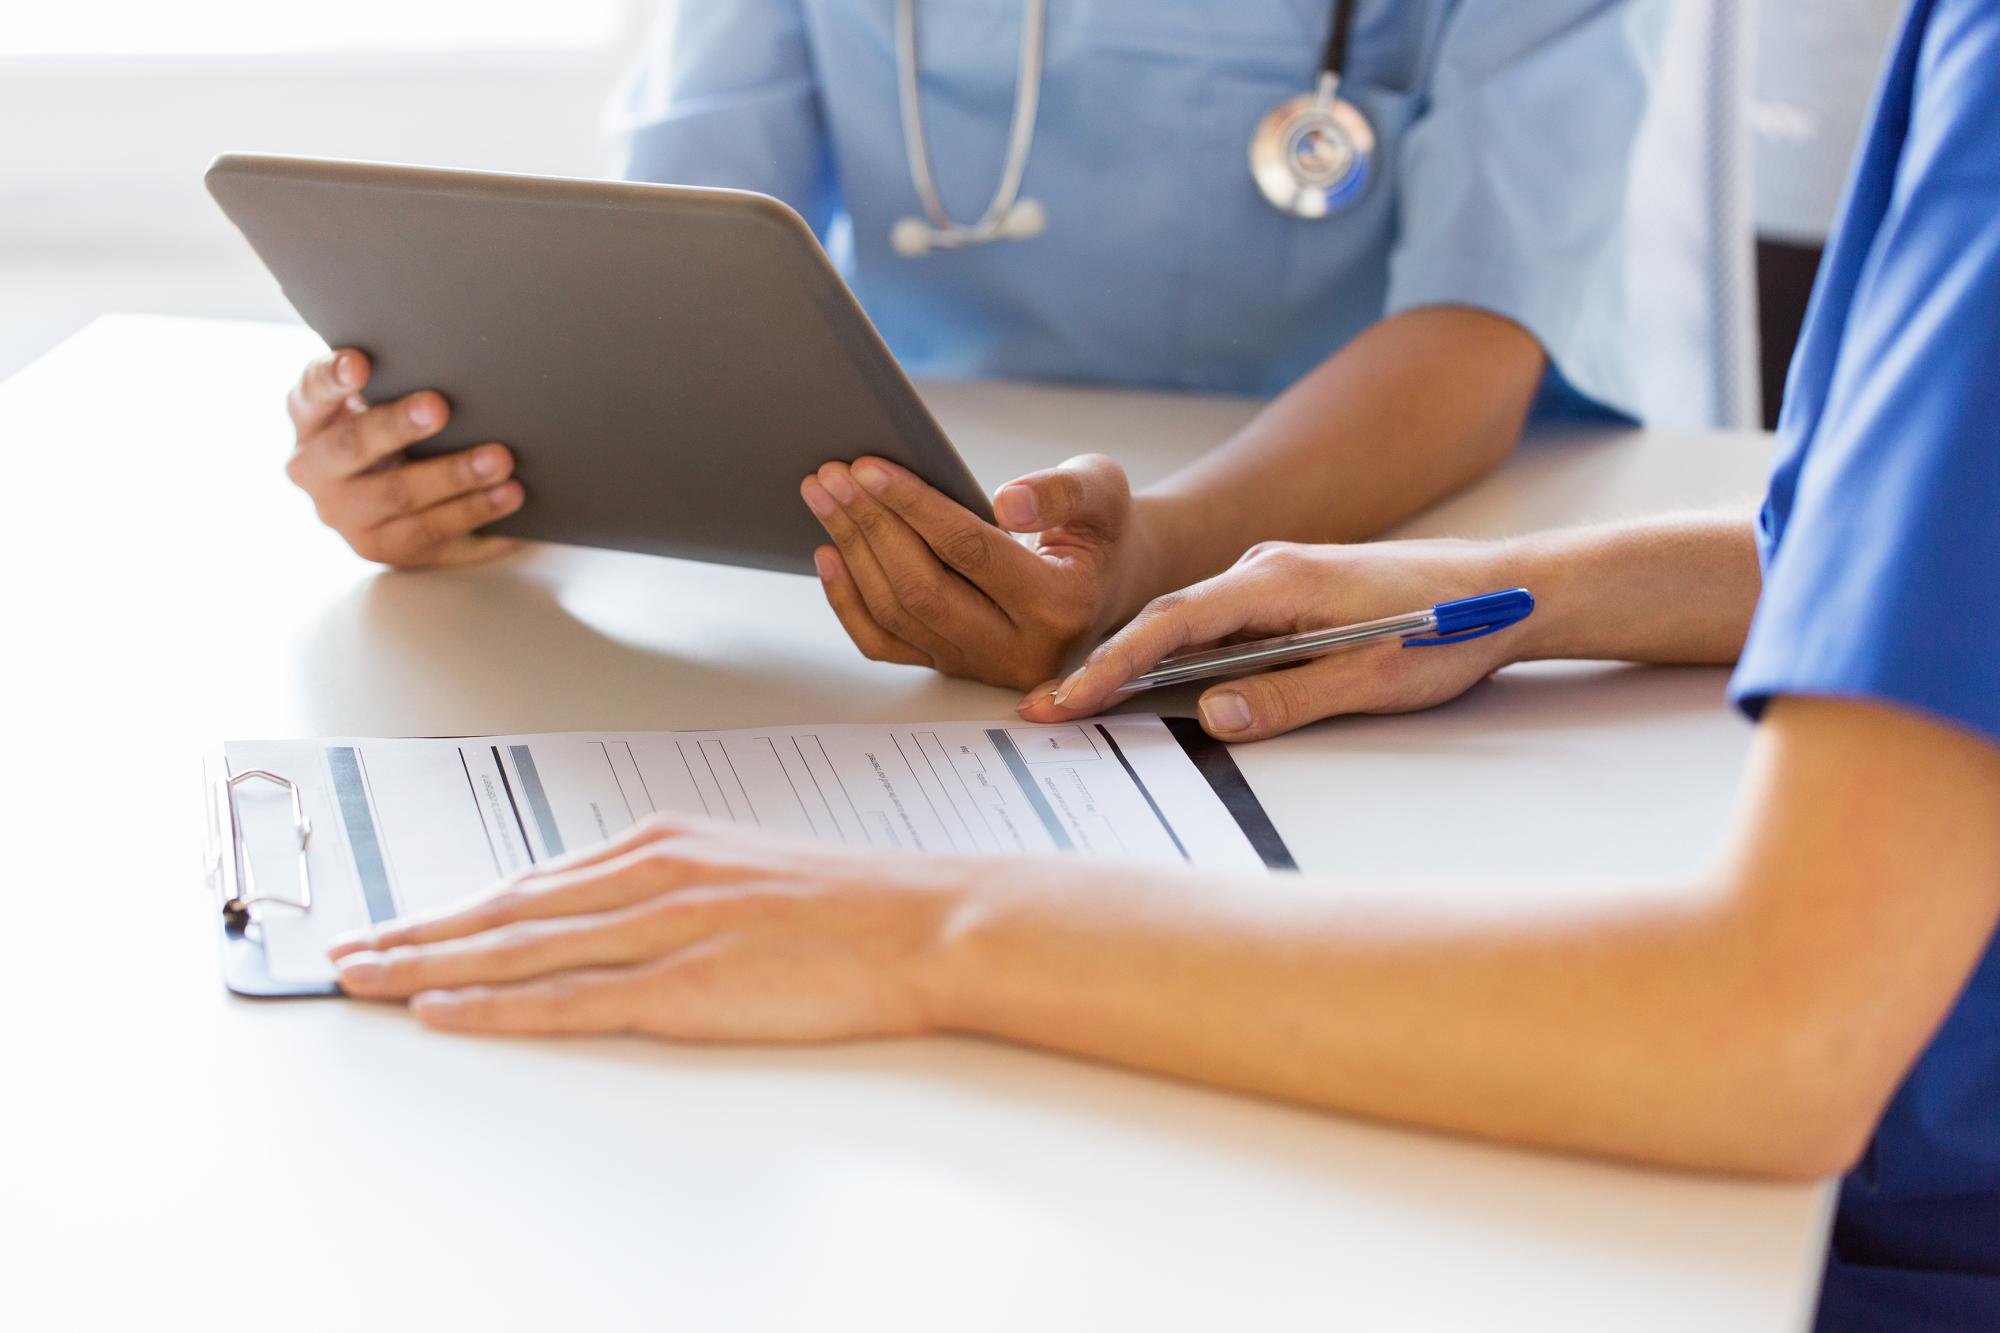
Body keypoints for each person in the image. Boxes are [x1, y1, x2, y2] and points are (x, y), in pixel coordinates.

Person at [328, 1, 2000, 1324]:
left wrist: (920, 916)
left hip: (1909, 1227)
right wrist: (1510, 592)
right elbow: (1911, 527)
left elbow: (1774, 1035)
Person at [282, 0, 1674, 686]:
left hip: (1398, 567)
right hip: (939, 555)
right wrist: (475, 466)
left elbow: (1482, 332)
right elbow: (663, 255)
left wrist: (1167, 553)